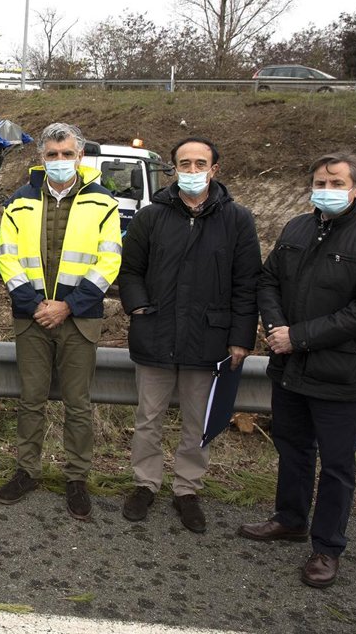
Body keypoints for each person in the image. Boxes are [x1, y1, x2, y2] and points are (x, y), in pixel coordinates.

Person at [240, 153, 356, 588]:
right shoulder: (297, 227)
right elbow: (268, 280)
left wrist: (298, 336)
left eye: (336, 183)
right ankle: (290, 519)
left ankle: (327, 547)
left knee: (336, 465)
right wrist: (277, 328)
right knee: (293, 449)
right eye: (319, 182)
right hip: (290, 367)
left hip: (342, 374)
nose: (325, 190)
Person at [118, 137, 261, 532]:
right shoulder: (151, 216)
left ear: (214, 169)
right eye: (185, 163)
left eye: (200, 164)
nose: (193, 170)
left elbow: (247, 283)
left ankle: (187, 490)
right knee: (148, 417)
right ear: (174, 168)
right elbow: (130, 271)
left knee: (197, 422)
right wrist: (139, 308)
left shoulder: (238, 220)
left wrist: (241, 337)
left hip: (209, 338)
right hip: (156, 332)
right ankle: (145, 483)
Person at [0, 122, 121, 520]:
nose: (60, 160)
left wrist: (68, 306)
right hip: (31, 318)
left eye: (67, 154)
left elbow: (109, 261)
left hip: (79, 319)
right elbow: (7, 257)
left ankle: (76, 478)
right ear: (42, 158)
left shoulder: (103, 202)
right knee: (31, 400)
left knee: (78, 404)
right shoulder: (19, 201)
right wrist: (34, 304)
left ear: (80, 156)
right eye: (53, 154)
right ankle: (27, 471)